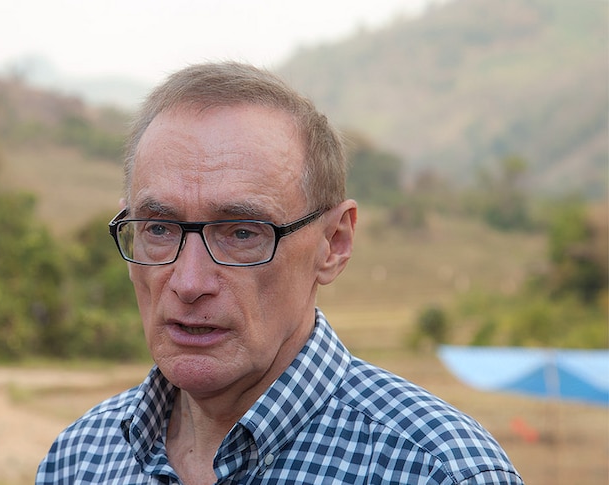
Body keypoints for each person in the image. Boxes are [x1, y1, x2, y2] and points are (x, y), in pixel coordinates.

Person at [36, 62, 523, 484]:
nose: (188, 282)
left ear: (334, 243)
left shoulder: (436, 471)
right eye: (159, 228)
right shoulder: (81, 459)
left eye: (242, 234)